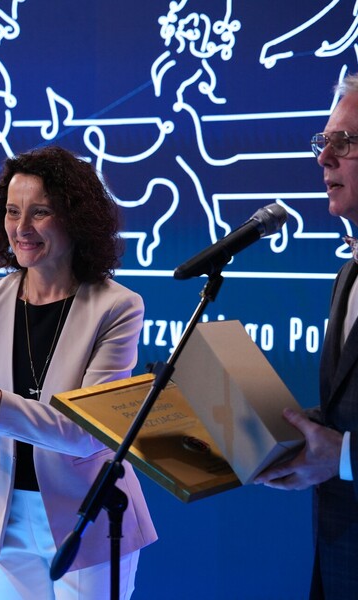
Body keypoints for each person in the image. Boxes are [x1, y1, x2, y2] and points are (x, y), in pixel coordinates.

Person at [0, 146, 157, 599]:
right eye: (12, 212)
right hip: (4, 520)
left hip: (89, 520)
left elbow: (88, 432)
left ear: (75, 219)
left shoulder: (117, 307)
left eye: (40, 212)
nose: (21, 228)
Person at [255, 73, 358, 598]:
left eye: (345, 142)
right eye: (324, 141)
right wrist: (273, 433)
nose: (324, 158)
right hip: (339, 561)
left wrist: (342, 456)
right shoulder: (348, 275)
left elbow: (344, 445)